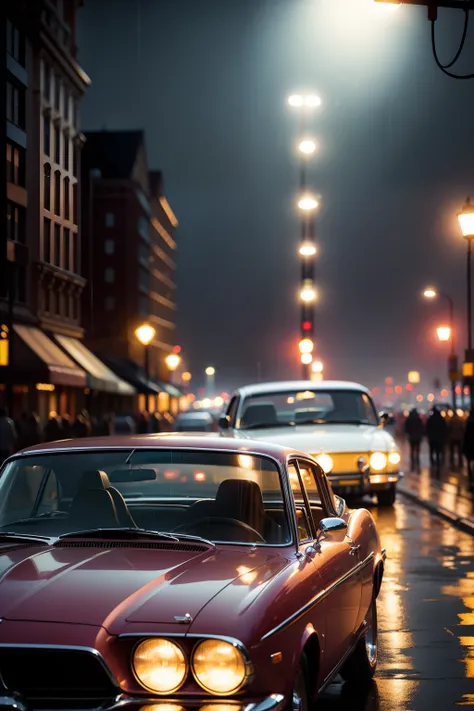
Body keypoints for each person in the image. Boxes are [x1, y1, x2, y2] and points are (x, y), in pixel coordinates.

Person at [463, 411, 474, 490]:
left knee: (469, 463)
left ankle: (471, 479)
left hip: (469, 446)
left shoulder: (468, 423)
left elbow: (466, 437)